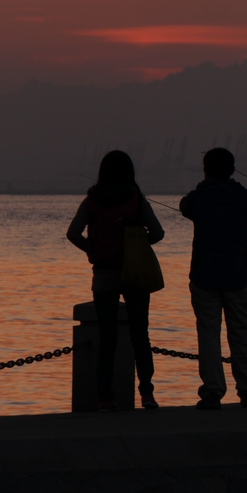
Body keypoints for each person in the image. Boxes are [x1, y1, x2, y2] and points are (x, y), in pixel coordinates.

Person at [67, 150, 164, 411]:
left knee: (106, 338)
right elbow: (158, 232)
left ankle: (105, 398)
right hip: (135, 274)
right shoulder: (137, 200)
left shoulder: (91, 201)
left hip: (103, 275)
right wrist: (139, 245)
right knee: (140, 335)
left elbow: (73, 233)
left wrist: (93, 249)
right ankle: (147, 394)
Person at [180, 148, 247, 409]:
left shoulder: (199, 199)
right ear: (232, 170)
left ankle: (213, 391)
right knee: (242, 333)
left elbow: (185, 205)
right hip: (237, 275)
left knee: (209, 336)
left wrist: (205, 185)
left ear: (205, 169)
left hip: (205, 276)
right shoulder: (244, 198)